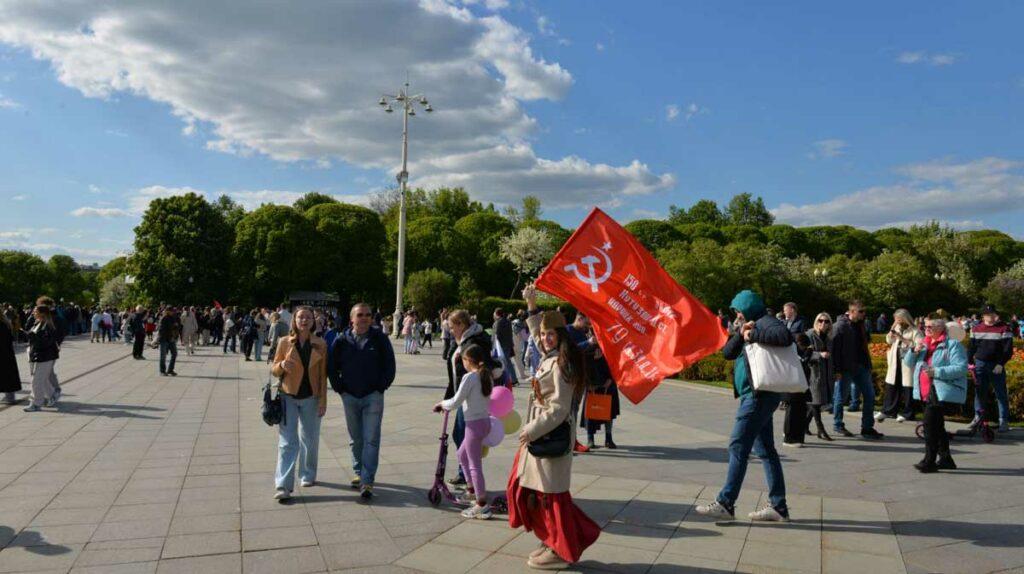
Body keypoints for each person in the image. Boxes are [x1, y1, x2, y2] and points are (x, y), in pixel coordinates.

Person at [508, 284, 600, 570]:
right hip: (540, 433)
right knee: (531, 491)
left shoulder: (561, 364)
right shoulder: (551, 354)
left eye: (551, 334)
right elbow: (536, 334)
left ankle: (561, 548)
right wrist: (532, 302)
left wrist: (531, 430)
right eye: (545, 334)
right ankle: (552, 541)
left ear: (561, 336)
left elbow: (559, 409)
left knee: (550, 496)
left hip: (550, 435)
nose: (545, 339)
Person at [696, 290, 791, 522]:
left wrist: (753, 334)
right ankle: (778, 506)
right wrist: (741, 333)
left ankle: (726, 502)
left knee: (738, 446)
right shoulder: (748, 324)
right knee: (766, 450)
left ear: (747, 306)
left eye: (738, 309)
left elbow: (784, 336)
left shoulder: (768, 322)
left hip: (758, 396)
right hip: (757, 395)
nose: (736, 313)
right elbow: (728, 353)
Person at [329, 303, 396, 501]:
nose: (365, 318)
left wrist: (380, 386)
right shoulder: (342, 340)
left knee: (371, 438)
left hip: (372, 396)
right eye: (360, 315)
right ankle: (358, 471)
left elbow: (390, 366)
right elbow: (331, 366)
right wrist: (339, 387)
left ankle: (367, 480)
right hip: (350, 395)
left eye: (368, 314)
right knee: (355, 438)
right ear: (352, 319)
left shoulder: (380, 339)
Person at [269, 307, 327, 500]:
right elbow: (274, 369)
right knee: (287, 442)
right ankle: (283, 485)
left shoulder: (320, 343)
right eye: (300, 317)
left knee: (310, 439)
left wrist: (322, 401)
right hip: (288, 397)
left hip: (311, 398)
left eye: (308, 317)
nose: (304, 320)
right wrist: (281, 365)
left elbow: (322, 376)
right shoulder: (284, 342)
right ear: (294, 320)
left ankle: (307, 475)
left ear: (313, 321)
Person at [435, 344, 494, 519]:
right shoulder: (486, 376)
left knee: (474, 464)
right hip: (484, 422)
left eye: (463, 361)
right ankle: (470, 489)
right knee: (462, 455)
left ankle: (481, 503)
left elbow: (455, 401)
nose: (463, 364)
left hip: (474, 425)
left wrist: (441, 404)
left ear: (468, 361)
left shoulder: (470, 377)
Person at [444, 309, 500, 488]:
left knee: (464, 439)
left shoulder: (474, 341)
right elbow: (451, 364)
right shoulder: (463, 340)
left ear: (461, 324)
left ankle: (474, 486)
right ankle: (468, 479)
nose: (451, 331)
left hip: (470, 397)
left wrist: (448, 402)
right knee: (461, 439)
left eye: (453, 327)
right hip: (464, 393)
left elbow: (477, 368)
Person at [905, 316, 967, 472]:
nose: (926, 329)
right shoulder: (923, 344)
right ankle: (946, 459)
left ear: (941, 328)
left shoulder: (952, 345)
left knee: (929, 427)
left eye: (930, 326)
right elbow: (908, 363)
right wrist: (913, 351)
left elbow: (961, 368)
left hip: (939, 391)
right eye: (925, 326)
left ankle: (929, 461)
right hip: (924, 391)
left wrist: (937, 372)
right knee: (937, 427)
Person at [829, 300, 884, 440]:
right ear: (852, 312)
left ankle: (867, 427)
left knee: (869, 396)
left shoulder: (862, 324)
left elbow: (866, 343)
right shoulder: (840, 326)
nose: (864, 314)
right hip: (846, 368)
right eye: (861, 311)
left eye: (864, 311)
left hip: (862, 366)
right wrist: (837, 369)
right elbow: (834, 350)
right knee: (841, 397)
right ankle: (838, 424)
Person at [968, 304, 1013, 433]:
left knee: (1000, 393)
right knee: (979, 392)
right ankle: (978, 418)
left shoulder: (1004, 328)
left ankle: (1003, 420)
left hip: (996, 365)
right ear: (983, 316)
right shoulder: (976, 328)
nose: (991, 317)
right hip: (980, 364)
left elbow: (1007, 350)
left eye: (993, 314)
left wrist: (1001, 364)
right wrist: (969, 362)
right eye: (988, 315)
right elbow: (972, 347)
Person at [877, 309, 921, 423]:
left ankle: (908, 413)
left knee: (907, 387)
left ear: (904, 318)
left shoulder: (915, 330)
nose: (897, 321)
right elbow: (889, 341)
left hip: (907, 363)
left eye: (898, 319)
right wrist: (892, 329)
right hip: (895, 361)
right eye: (895, 319)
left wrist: (902, 339)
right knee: (892, 385)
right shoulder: (896, 328)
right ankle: (888, 410)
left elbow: (919, 345)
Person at [802, 313, 834, 441]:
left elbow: (833, 355)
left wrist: (835, 371)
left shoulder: (829, 337)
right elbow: (804, 352)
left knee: (817, 401)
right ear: (816, 322)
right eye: (820, 321)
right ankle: (821, 430)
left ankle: (804, 425)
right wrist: (819, 354)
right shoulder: (810, 335)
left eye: (826, 321)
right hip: (813, 372)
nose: (823, 323)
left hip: (826, 372)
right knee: (815, 401)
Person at [24, 305, 60, 412]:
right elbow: (30, 331)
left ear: (42, 313)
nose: (33, 313)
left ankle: (36, 403)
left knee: (36, 381)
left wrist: (33, 337)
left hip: (46, 356)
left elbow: (46, 342)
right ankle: (52, 395)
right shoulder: (38, 323)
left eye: (35, 311)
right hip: (38, 355)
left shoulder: (47, 326)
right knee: (42, 380)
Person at [783, 332, 811, 448]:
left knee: (800, 410)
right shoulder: (792, 351)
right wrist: (807, 354)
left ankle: (798, 437)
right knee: (792, 411)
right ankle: (789, 438)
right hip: (792, 385)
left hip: (801, 385)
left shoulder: (802, 351)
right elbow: (801, 361)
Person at [1, 311, 21, 404]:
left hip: (4, 354)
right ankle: (9, 397)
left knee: (7, 376)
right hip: (7, 354)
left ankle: (10, 398)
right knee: (8, 375)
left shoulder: (3, 325)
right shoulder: (6, 323)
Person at [493, 308, 517, 383]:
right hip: (508, 344)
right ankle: (513, 379)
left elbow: (496, 335)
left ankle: (511, 380)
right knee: (508, 362)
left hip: (501, 345)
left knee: (505, 363)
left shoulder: (498, 322)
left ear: (496, 314)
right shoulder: (508, 321)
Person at [158, 307, 181, 377]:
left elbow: (177, 326)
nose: (173, 312)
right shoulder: (164, 318)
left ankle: (170, 370)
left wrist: (176, 326)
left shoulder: (172, 318)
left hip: (171, 338)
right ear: (167, 311)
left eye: (173, 311)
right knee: (163, 356)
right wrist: (173, 326)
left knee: (174, 353)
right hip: (164, 339)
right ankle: (162, 371)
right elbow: (162, 329)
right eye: (171, 311)